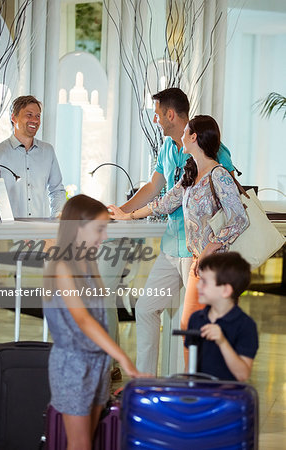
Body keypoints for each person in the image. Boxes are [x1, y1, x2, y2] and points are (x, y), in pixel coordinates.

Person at [109, 87, 234, 375]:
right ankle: (145, 382)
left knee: (190, 322)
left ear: (170, 114)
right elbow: (155, 189)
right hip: (171, 246)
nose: (155, 121)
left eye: (157, 115)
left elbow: (225, 197)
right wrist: (123, 212)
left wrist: (212, 247)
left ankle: (189, 386)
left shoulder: (210, 148)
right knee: (146, 308)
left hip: (198, 252)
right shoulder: (167, 147)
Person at [43, 194, 148, 450]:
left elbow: (99, 314)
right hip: (73, 366)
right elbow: (83, 320)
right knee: (80, 443)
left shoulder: (88, 261)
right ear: (78, 227)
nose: (104, 237)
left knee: (87, 441)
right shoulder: (63, 267)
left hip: (97, 363)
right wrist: (122, 357)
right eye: (99, 229)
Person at [0, 95, 65, 218]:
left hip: (41, 233)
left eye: (38, 116)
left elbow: (57, 191)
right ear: (14, 117)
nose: (35, 120)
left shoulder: (48, 151)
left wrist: (56, 219)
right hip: (8, 233)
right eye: (29, 115)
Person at [186, 252, 259, 381]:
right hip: (200, 396)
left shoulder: (246, 325)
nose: (198, 286)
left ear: (225, 290)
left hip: (228, 398)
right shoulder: (196, 319)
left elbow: (243, 375)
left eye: (204, 282)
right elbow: (189, 368)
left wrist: (222, 341)